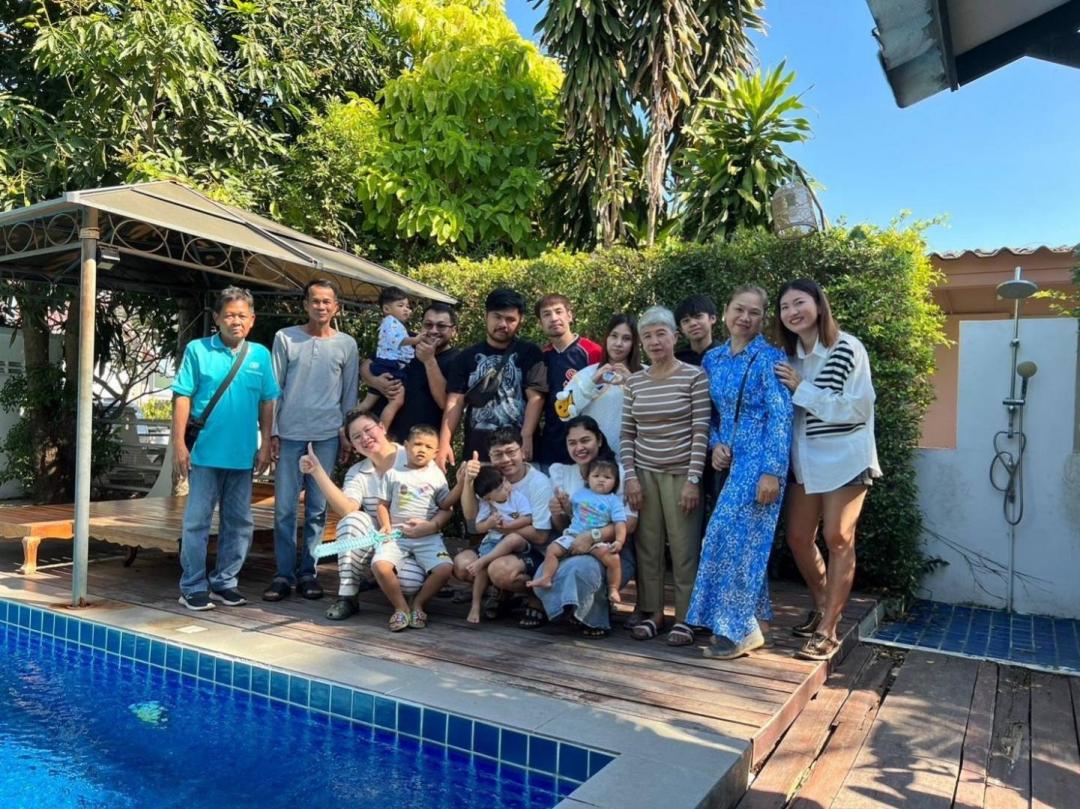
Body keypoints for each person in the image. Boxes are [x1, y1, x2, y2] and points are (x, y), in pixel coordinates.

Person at [775, 278, 881, 661]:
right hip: (804, 459)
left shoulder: (847, 348)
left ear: (819, 305)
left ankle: (829, 629)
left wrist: (802, 389)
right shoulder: (786, 357)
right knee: (798, 538)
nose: (792, 312)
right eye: (785, 307)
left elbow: (858, 408)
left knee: (838, 538)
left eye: (799, 302)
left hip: (845, 457)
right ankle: (823, 605)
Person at [686, 286, 794, 659]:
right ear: (726, 312)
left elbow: (781, 416)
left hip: (760, 461)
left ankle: (739, 630)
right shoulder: (713, 359)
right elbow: (710, 413)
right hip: (731, 463)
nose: (745, 318)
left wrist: (772, 472)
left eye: (754, 312)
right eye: (739, 309)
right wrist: (715, 444)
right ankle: (756, 622)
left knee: (724, 537)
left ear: (763, 318)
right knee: (744, 541)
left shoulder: (770, 358)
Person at [172, 286, 279, 610]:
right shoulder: (197, 350)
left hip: (243, 456)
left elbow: (267, 401)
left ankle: (225, 582)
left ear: (252, 320)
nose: (236, 321)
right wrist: (178, 443)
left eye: (242, 316)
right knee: (197, 522)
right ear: (217, 318)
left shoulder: (260, 355)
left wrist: (265, 444)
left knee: (240, 523)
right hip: (204, 454)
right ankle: (192, 586)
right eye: (230, 315)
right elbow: (182, 396)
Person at [265, 279, 359, 602]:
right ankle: (283, 574)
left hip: (327, 436)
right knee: (284, 508)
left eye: (327, 301)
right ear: (306, 304)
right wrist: (272, 432)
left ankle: (309, 572)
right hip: (289, 433)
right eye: (315, 301)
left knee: (318, 508)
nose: (321, 306)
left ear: (336, 307)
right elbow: (274, 388)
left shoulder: (347, 344)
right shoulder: (285, 338)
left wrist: (346, 434)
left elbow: (349, 394)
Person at [621, 306, 710, 646]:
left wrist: (693, 479)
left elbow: (701, 430)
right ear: (641, 343)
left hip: (681, 475)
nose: (655, 341)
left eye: (661, 334)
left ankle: (686, 618)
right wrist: (630, 477)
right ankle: (653, 613)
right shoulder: (634, 382)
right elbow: (627, 433)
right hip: (644, 474)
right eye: (647, 336)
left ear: (674, 337)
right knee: (648, 546)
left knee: (685, 548)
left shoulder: (694, 376)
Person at [313, 410, 440, 621]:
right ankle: (348, 596)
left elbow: (443, 503)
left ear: (381, 427)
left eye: (368, 430)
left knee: (409, 584)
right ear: (354, 446)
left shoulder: (414, 452)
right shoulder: (357, 472)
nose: (364, 438)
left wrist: (432, 526)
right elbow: (347, 508)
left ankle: (402, 595)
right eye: (356, 437)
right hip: (382, 538)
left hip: (417, 539)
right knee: (352, 520)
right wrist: (317, 472)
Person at [537, 416, 638, 637]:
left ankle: (594, 619)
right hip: (573, 543)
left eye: (585, 440)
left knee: (580, 568)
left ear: (599, 440)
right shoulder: (562, 473)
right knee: (547, 568)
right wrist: (558, 512)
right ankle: (570, 611)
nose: (579, 448)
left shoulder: (618, 473)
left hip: (613, 551)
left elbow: (629, 523)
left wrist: (592, 536)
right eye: (572, 443)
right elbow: (562, 525)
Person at [438, 289, 546, 468]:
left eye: (510, 319)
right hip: (478, 452)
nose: (503, 324)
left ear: (520, 321)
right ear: (486, 316)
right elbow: (454, 402)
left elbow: (536, 398)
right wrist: (444, 443)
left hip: (520, 452)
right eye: (497, 317)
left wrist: (526, 436)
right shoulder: (465, 357)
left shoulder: (530, 353)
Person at [453, 427, 553, 617]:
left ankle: (536, 595)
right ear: (490, 457)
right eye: (498, 454)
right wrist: (468, 481)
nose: (506, 459)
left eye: (511, 452)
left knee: (500, 571)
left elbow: (541, 536)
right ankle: (501, 593)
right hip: (495, 543)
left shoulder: (539, 483)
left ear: (522, 451)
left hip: (531, 550)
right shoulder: (492, 478)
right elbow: (471, 516)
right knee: (462, 565)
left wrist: (502, 527)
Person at [367, 424, 455, 631]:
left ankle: (418, 604)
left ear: (435, 452)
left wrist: (433, 526)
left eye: (428, 446)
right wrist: (386, 526)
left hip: (428, 537)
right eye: (417, 444)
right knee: (380, 565)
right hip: (397, 535)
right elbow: (382, 504)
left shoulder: (437, 477)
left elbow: (447, 508)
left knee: (444, 569)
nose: (422, 449)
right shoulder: (393, 473)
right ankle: (401, 607)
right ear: (406, 446)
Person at [529, 457, 627, 603]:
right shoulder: (581, 494)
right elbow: (571, 513)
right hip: (573, 535)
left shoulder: (614, 501)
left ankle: (613, 588)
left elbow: (620, 523)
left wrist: (619, 541)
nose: (601, 480)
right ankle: (546, 577)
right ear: (588, 478)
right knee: (552, 549)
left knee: (613, 559)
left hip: (597, 540)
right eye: (596, 476)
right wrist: (564, 503)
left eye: (607, 477)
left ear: (615, 482)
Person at [361, 302, 460, 444]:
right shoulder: (407, 340)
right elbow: (366, 366)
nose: (433, 330)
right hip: (378, 440)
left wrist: (429, 361)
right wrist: (375, 382)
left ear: (454, 330)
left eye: (441, 326)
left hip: (420, 446)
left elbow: (445, 403)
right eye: (428, 325)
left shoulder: (458, 359)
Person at [554, 314, 643, 460]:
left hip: (638, 460)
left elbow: (659, 413)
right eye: (614, 336)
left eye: (626, 338)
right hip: (596, 464)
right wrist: (591, 383)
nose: (618, 343)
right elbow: (564, 414)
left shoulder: (646, 374)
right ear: (606, 338)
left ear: (634, 343)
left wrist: (632, 383)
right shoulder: (586, 374)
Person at [534, 294, 603, 468]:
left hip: (589, 444)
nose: (554, 318)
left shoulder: (593, 352)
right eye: (547, 314)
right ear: (540, 323)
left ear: (569, 315)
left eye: (558, 311)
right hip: (552, 444)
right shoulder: (541, 358)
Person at [463, 466, 532, 623]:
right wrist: (489, 523)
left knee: (512, 538)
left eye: (505, 482)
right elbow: (479, 527)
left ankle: (484, 560)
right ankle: (475, 605)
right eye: (500, 489)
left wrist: (510, 525)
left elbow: (528, 518)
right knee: (481, 571)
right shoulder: (486, 505)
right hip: (493, 541)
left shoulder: (517, 497)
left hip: (513, 541)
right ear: (488, 498)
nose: (506, 487)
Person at [357, 286, 421, 428]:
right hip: (390, 366)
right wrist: (416, 340)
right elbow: (398, 341)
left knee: (367, 403)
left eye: (408, 306)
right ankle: (382, 430)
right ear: (386, 309)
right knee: (397, 400)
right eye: (400, 306)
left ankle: (347, 425)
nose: (406, 309)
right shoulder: (391, 322)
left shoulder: (394, 324)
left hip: (385, 365)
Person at [675, 295, 722, 366]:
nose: (692, 323)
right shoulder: (677, 361)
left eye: (698, 316)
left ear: (712, 318)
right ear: (681, 329)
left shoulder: (726, 356)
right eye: (686, 321)